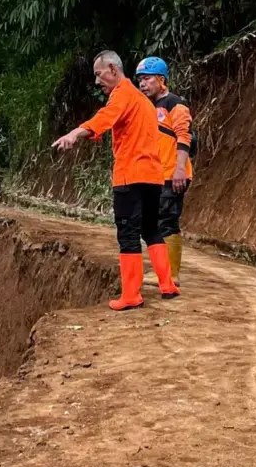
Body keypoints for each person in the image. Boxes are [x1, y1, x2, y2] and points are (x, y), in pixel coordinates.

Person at [53, 50, 180, 310]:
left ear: (112, 68)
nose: (97, 81)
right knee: (150, 228)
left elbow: (105, 117)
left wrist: (75, 133)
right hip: (153, 175)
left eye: (99, 74)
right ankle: (167, 285)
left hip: (130, 175)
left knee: (128, 232)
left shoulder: (122, 94)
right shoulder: (144, 101)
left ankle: (131, 295)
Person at [135, 56, 193, 284]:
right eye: (140, 79)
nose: (142, 84)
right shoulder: (149, 107)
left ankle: (170, 274)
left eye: (147, 79)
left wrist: (179, 170)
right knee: (152, 221)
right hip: (156, 175)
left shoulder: (175, 104)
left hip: (172, 174)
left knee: (167, 221)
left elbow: (184, 136)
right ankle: (163, 271)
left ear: (162, 80)